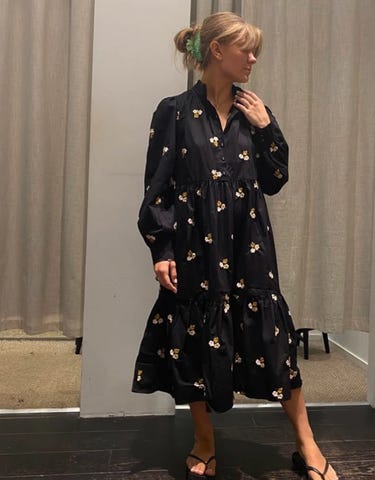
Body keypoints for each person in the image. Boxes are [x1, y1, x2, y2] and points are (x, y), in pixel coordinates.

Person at [132, 11, 339, 480]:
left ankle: (307, 443)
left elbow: (275, 179)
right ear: (217, 50)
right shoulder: (173, 112)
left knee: (271, 337)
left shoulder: (255, 111)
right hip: (194, 246)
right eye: (246, 49)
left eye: (255, 51)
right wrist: (162, 249)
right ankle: (204, 440)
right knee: (194, 337)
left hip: (249, 246)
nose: (253, 59)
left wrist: (266, 129)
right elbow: (158, 187)